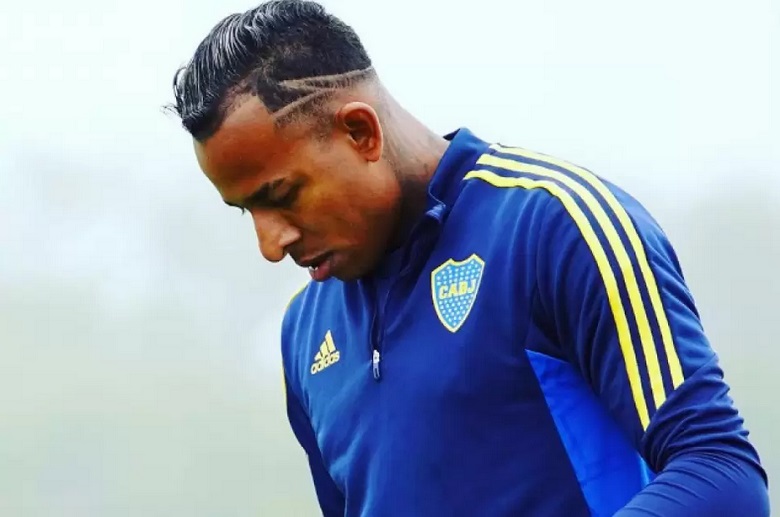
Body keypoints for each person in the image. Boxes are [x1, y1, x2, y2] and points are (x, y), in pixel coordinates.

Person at [168, 1, 770, 515]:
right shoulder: (304, 331)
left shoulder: (555, 228)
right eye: (245, 212)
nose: (270, 245)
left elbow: (723, 477)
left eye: (281, 196)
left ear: (360, 133)